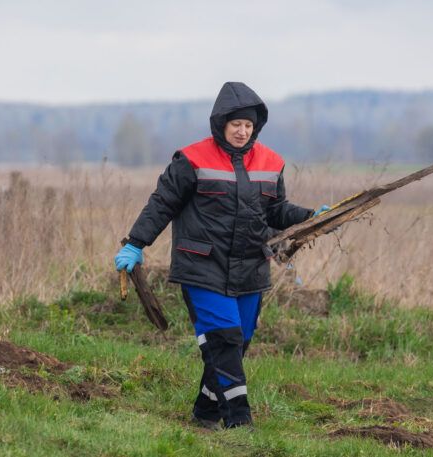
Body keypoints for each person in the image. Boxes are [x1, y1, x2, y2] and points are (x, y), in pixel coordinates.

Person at [115, 82, 327, 429]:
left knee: (235, 345)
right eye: (236, 124)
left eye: (248, 125)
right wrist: (136, 243)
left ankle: (205, 413)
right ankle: (239, 421)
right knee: (224, 342)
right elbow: (162, 204)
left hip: (251, 268)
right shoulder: (191, 160)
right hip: (202, 267)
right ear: (221, 124)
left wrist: (311, 218)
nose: (242, 131)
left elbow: (275, 211)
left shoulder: (271, 162)